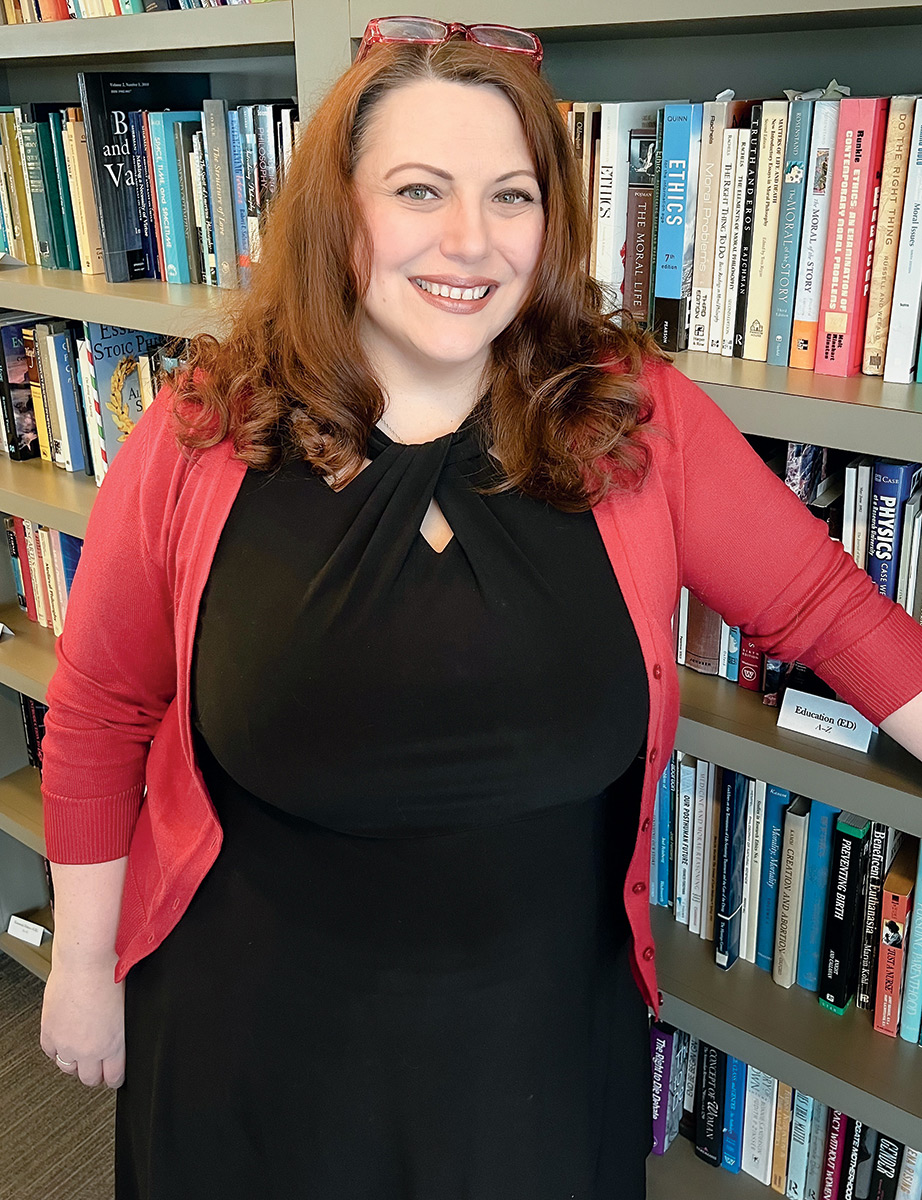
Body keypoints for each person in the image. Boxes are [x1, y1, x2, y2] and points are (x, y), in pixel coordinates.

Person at [37, 16, 922, 1200]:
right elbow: (101, 703)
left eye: (511, 196)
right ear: (336, 209)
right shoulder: (205, 428)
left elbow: (825, 607)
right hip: (252, 1050)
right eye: (418, 188)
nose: (470, 241)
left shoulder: (630, 417)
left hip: (541, 1053)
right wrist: (83, 966)